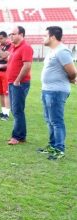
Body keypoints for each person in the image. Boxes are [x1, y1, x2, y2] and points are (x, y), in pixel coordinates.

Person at [38, 26, 77, 160]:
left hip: (56, 91)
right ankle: (52, 145)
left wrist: (71, 79)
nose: (42, 38)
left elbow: (72, 71)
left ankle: (59, 149)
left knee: (56, 121)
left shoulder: (62, 51)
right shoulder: (53, 51)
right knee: (49, 120)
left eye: (45, 36)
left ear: (52, 37)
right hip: (47, 90)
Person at [6, 26, 34, 145]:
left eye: (13, 34)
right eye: (10, 34)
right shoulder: (13, 47)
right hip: (12, 82)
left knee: (17, 110)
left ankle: (17, 136)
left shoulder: (26, 48)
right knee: (15, 109)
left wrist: (17, 80)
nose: (11, 36)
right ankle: (20, 135)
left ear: (21, 35)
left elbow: (27, 66)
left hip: (19, 83)